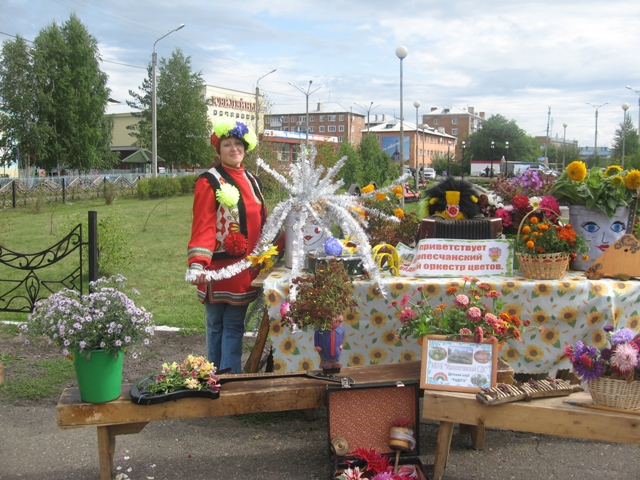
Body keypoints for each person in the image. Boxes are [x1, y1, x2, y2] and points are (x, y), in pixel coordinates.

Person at [187, 119, 271, 373]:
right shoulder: (208, 181)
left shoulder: (252, 179)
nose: (233, 148)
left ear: (245, 147)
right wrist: (198, 263)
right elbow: (203, 225)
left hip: (244, 268)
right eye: (227, 144)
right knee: (215, 324)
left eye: (237, 143)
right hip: (217, 267)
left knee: (233, 323)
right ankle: (215, 376)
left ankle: (227, 379)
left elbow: (262, 221)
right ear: (218, 150)